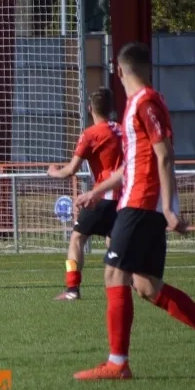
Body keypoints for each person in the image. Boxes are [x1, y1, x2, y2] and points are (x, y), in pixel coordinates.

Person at [74, 42, 195, 380]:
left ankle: (117, 363)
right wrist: (97, 191)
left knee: (113, 273)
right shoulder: (143, 103)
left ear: (119, 70)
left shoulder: (145, 102)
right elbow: (134, 162)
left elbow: (164, 154)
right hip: (141, 200)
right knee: (147, 285)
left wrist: (167, 207)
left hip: (142, 201)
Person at [48, 87, 123, 300]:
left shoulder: (90, 134)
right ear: (111, 109)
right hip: (124, 197)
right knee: (112, 242)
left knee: (77, 238)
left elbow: (71, 170)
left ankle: (72, 290)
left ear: (90, 109)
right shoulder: (121, 129)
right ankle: (126, 285)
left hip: (102, 197)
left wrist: (53, 172)